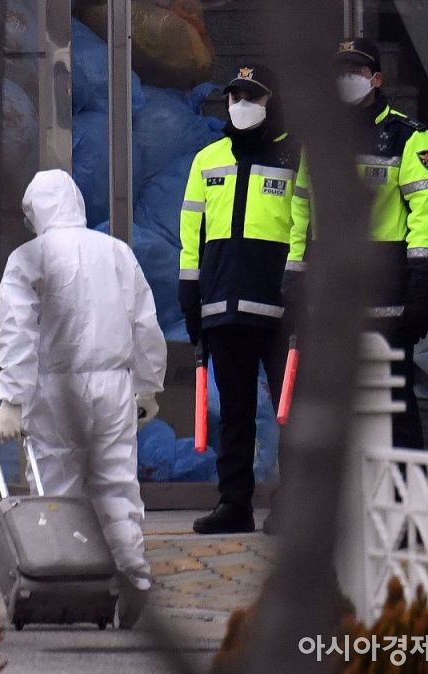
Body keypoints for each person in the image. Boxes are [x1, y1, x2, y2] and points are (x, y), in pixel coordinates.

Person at [0, 169, 166, 628]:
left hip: (55, 388)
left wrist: (12, 398)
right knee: (116, 484)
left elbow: (17, 330)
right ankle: (132, 574)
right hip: (114, 386)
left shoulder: (28, 258)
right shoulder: (116, 252)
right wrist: (148, 385)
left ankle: (68, 583)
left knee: (58, 487)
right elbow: (144, 323)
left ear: (35, 211)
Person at [286, 38, 428, 450]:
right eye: (340, 71)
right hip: (330, 292)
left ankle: (403, 487)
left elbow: (427, 213)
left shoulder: (408, 138)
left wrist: (420, 280)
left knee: (394, 402)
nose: (346, 79)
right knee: (330, 403)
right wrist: (295, 273)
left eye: (355, 71)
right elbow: (300, 210)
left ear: (376, 79)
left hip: (386, 290)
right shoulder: (319, 141)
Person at [178, 65, 305, 535]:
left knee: (292, 412)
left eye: (253, 97)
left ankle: (295, 503)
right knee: (234, 412)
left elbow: (306, 226)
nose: (242, 105)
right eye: (235, 97)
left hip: (280, 305)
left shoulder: (296, 158)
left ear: (274, 102)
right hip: (223, 304)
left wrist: (301, 285)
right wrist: (189, 288)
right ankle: (234, 504)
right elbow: (191, 231)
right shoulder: (206, 159)